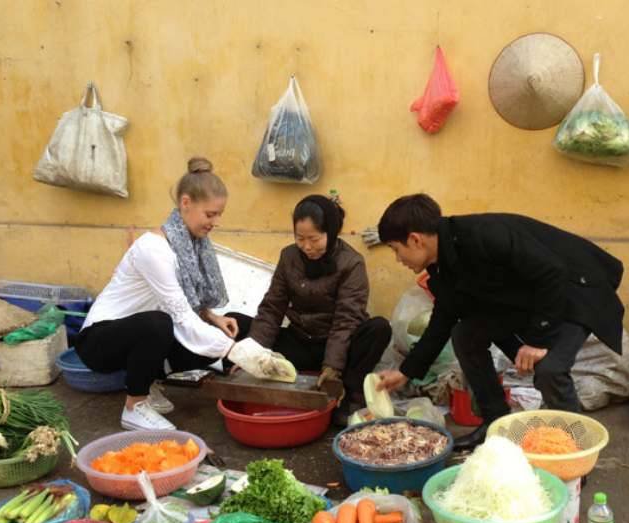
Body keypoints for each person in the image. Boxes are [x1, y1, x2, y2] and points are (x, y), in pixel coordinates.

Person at [374, 193, 624, 449]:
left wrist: (537, 341)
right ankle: (495, 426)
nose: (398, 259)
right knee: (466, 334)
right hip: (530, 301)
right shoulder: (442, 266)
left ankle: (572, 449)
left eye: (395, 249)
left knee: (550, 369)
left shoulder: (484, 234)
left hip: (573, 294)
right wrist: (407, 372)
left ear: (415, 240)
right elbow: (443, 319)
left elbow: (551, 273)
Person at [74, 157, 240, 431]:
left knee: (234, 322)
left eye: (219, 214)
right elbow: (180, 313)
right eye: (210, 214)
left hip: (137, 333)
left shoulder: (189, 244)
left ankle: (148, 384)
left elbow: (187, 301)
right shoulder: (154, 250)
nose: (216, 222)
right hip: (98, 341)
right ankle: (134, 406)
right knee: (158, 324)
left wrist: (213, 318)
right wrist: (235, 351)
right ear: (185, 203)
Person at [234, 194, 392, 423]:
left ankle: (349, 396)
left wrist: (333, 367)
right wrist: (251, 354)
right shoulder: (289, 257)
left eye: (314, 239)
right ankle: (260, 383)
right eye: (300, 238)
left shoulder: (351, 262)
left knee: (378, 329)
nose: (307, 247)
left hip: (337, 346)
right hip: (300, 341)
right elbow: (272, 307)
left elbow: (347, 319)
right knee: (237, 323)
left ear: (330, 231)